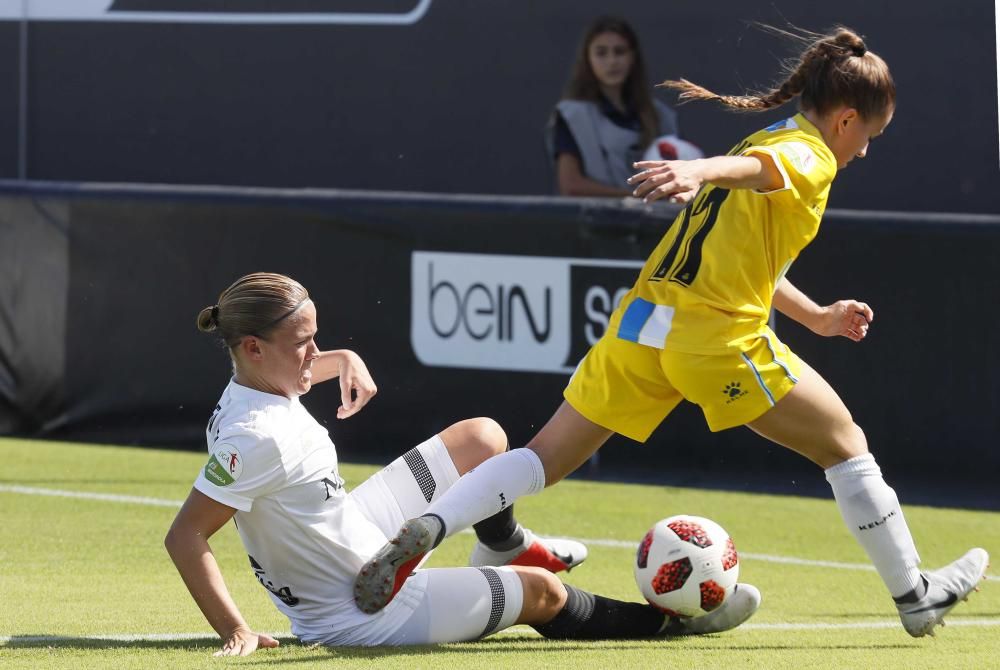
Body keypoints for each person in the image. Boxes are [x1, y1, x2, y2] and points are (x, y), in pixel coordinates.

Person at [357, 28, 989, 638]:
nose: (865, 151)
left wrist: (818, 317)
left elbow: (751, 249)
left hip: (641, 324)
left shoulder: (768, 137)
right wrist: (702, 171)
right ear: (847, 119)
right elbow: (770, 168)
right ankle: (915, 596)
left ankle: (436, 526)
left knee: (541, 458)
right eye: (870, 135)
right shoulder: (809, 152)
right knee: (846, 444)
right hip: (712, 338)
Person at [164, 272, 761, 657]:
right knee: (544, 594)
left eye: (319, 337)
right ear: (253, 347)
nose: (315, 353)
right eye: (305, 343)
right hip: (358, 610)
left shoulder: (253, 388)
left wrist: (341, 358)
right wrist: (235, 629)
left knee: (482, 437)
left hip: (355, 528)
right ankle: (675, 625)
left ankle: (502, 543)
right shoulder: (257, 434)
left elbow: (293, 375)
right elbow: (186, 536)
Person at [547, 16, 695, 197]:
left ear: (633, 57)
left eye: (620, 51)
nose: (612, 61)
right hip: (598, 221)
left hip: (655, 221)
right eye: (601, 53)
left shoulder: (659, 115)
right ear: (588, 58)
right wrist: (631, 199)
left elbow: (679, 173)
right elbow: (571, 185)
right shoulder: (572, 115)